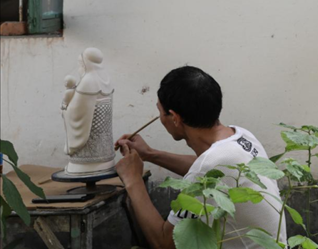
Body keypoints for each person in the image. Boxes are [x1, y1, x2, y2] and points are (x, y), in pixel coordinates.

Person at [115, 66, 287, 249]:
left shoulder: (211, 164)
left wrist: (133, 180)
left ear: (174, 117)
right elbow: (209, 170)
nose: (160, 118)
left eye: (160, 111)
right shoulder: (241, 136)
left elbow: (164, 242)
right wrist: (150, 154)